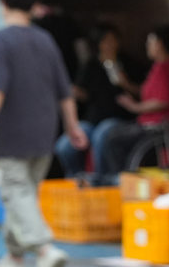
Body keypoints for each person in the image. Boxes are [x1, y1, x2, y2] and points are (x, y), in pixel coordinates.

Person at [0, 0, 87, 267]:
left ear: (3, 4)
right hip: (44, 131)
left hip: (12, 134)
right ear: (35, 7)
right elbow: (64, 91)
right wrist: (73, 127)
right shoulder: (45, 40)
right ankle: (14, 259)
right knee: (22, 197)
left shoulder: (1, 41)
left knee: (16, 193)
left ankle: (44, 250)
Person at [98, 23, 169, 181]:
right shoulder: (160, 66)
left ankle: (118, 179)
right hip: (150, 124)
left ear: (160, 44)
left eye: (150, 42)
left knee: (112, 137)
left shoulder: (166, 67)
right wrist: (126, 85)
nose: (147, 46)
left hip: (160, 126)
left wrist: (135, 107)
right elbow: (147, 91)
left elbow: (163, 101)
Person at [55, 23, 139, 177]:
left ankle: (100, 181)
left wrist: (125, 83)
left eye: (114, 40)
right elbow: (83, 94)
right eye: (106, 41)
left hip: (119, 119)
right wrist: (71, 90)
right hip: (92, 121)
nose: (110, 44)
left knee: (101, 136)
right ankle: (77, 179)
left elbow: (141, 92)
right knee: (64, 146)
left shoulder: (127, 62)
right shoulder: (91, 65)